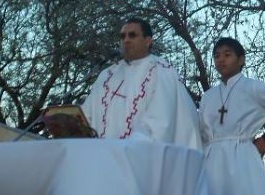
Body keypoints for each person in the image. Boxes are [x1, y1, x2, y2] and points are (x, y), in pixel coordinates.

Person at [80, 17, 202, 150]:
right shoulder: (107, 75)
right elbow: (87, 116)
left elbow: (160, 122)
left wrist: (130, 148)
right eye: (123, 36)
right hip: (103, 158)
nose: (126, 40)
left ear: (148, 41)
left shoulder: (162, 71)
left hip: (141, 159)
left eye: (132, 35)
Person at [199, 37, 265, 195]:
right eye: (217, 56)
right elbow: (201, 133)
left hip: (242, 156)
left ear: (241, 59)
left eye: (227, 54)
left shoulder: (252, 87)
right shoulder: (208, 96)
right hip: (211, 160)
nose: (221, 60)